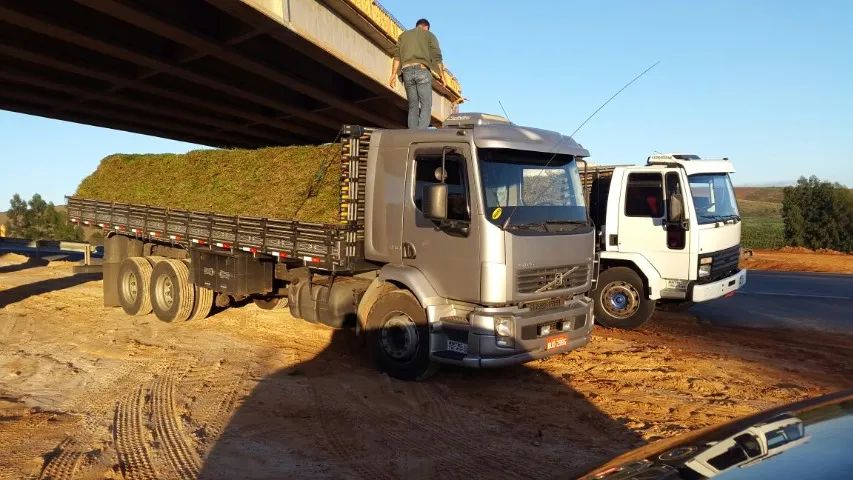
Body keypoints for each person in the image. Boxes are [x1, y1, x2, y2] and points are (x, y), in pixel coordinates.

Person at [389, 18, 446, 129]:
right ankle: (421, 134)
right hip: (422, 70)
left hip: (406, 72)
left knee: (413, 106)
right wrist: (442, 75)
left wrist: (393, 75)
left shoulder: (403, 36)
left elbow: (397, 56)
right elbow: (437, 56)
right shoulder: (429, 35)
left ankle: (412, 134)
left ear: (417, 25)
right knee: (426, 105)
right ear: (426, 27)